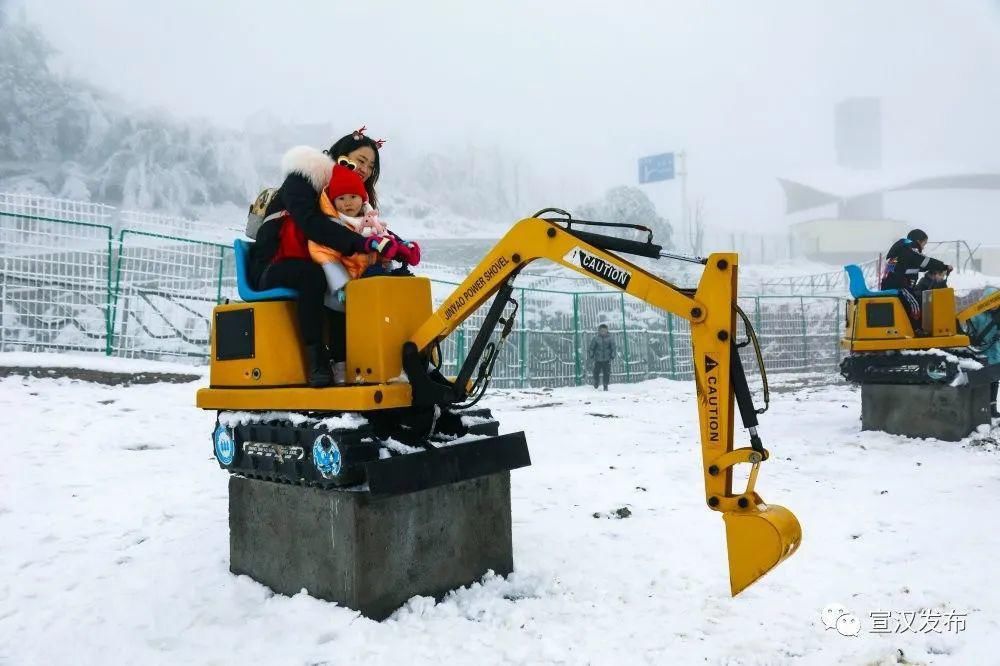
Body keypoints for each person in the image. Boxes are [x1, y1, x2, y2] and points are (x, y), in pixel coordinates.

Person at [248, 127, 406, 387]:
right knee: (316, 276)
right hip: (272, 265)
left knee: (375, 277)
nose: (365, 169)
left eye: (371, 166)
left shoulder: (345, 196)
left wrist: (394, 245)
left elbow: (364, 227)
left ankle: (386, 358)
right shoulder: (304, 177)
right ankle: (318, 361)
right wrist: (361, 243)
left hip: (314, 262)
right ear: (341, 154)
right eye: (361, 160)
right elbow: (311, 224)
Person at [307, 163, 414, 314]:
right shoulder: (332, 227)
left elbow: (382, 244)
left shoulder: (371, 222)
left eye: (353, 196)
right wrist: (341, 286)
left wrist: (400, 249)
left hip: (372, 278)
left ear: (362, 198)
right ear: (333, 201)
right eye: (341, 198)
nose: (347, 202)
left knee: (402, 283)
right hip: (346, 287)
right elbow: (324, 254)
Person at [879, 229, 951, 332]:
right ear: (918, 241)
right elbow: (925, 261)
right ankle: (916, 329)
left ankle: (914, 328)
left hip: (893, 284)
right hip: (899, 285)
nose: (923, 247)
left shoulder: (902, 251)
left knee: (912, 303)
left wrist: (937, 268)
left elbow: (917, 266)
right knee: (915, 305)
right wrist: (944, 266)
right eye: (924, 243)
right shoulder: (909, 250)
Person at [965, 286, 1000, 418]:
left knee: (995, 380)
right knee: (983, 380)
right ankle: (982, 409)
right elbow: (969, 330)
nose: (994, 306)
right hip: (980, 352)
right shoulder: (977, 315)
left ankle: (992, 408)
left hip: (995, 351)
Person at [588, 324, 616, 391]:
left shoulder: (610, 339)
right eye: (601, 331)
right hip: (598, 359)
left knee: (606, 373)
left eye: (604, 331)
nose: (603, 332)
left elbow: (613, 348)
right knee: (596, 372)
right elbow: (591, 348)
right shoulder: (596, 338)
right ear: (599, 331)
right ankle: (596, 382)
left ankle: (605, 385)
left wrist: (612, 355)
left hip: (607, 359)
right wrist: (591, 354)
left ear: (607, 331)